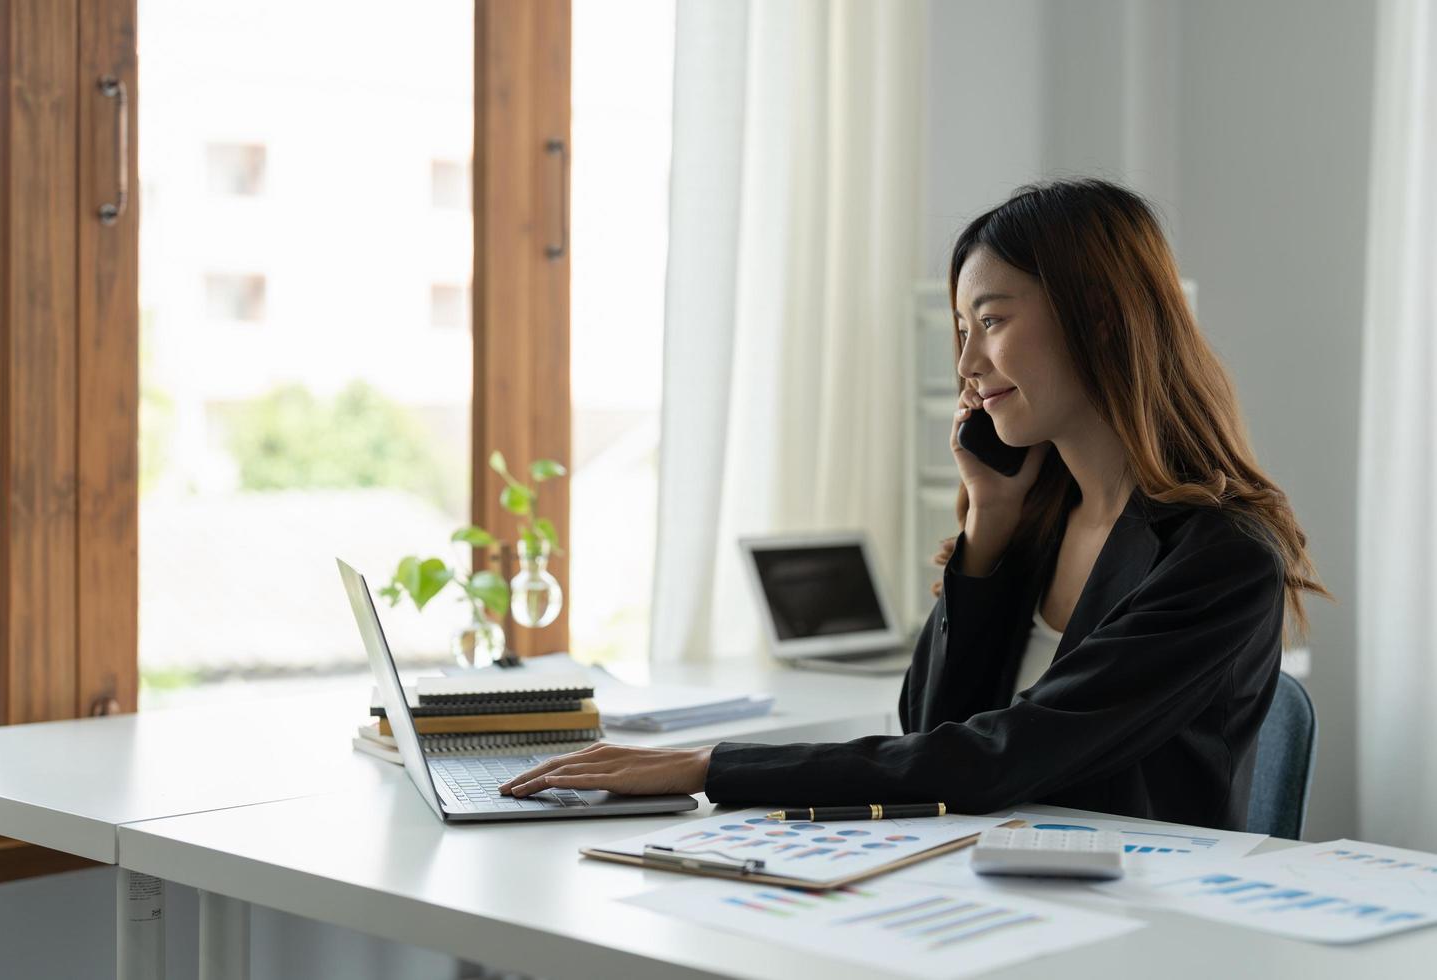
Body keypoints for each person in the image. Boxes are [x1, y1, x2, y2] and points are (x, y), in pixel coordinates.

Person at [499, 178, 1332, 831]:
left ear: (1103, 321)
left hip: (1131, 925)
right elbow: (928, 728)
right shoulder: (1037, 519)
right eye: (960, 326)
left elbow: (994, 759)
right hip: (987, 885)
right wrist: (988, 530)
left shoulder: (1222, 558)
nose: (966, 361)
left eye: (992, 321)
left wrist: (712, 766)